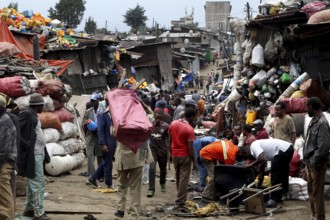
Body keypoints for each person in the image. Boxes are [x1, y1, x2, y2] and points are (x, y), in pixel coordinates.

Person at [114, 99, 154, 219]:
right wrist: (143, 105)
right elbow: (151, 115)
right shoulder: (142, 123)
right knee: (135, 188)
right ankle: (133, 214)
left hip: (122, 159)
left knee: (121, 185)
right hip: (137, 159)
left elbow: (112, 131)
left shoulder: (119, 124)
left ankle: (120, 209)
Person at [19, 93, 50, 220]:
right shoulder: (27, 114)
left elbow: (38, 135)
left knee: (33, 183)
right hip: (34, 155)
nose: (43, 107)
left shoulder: (33, 115)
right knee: (37, 184)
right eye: (42, 104)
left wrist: (45, 153)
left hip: (39, 153)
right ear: (38, 105)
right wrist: (25, 143)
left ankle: (29, 210)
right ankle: (39, 213)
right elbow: (15, 129)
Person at [242, 139, 294, 208]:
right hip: (289, 148)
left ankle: (273, 200)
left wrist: (250, 165)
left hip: (282, 150)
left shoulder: (253, 146)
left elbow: (261, 158)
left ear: (245, 152)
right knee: (282, 174)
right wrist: (257, 189)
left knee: (275, 175)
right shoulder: (260, 151)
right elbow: (261, 171)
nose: (247, 159)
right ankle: (280, 198)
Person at [304, 97, 330, 220]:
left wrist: (314, 161)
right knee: (311, 190)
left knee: (317, 192)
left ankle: (319, 217)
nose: (306, 109)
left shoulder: (322, 123)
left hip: (317, 163)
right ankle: (315, 216)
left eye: (306, 107)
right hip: (310, 162)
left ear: (311, 107)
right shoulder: (313, 121)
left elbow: (323, 147)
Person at [169, 108, 196, 209]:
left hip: (175, 154)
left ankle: (180, 196)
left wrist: (170, 154)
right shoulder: (189, 129)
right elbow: (190, 148)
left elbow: (170, 140)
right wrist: (194, 161)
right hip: (184, 155)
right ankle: (180, 201)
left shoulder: (173, 123)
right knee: (184, 178)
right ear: (192, 117)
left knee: (178, 176)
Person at [87, 98, 117, 189]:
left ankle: (93, 178)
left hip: (112, 141)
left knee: (105, 162)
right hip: (106, 142)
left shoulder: (112, 114)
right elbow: (100, 130)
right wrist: (103, 144)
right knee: (108, 164)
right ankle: (109, 183)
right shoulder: (102, 115)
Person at [0, 95, 17, 220]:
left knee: (4, 196)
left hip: (4, 163)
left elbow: (3, 149)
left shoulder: (4, 122)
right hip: (5, 161)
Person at [147, 110, 169, 197]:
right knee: (152, 168)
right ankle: (151, 189)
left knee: (163, 168)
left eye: (160, 118)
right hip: (153, 149)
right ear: (154, 117)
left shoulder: (166, 126)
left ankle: (162, 183)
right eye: (156, 118)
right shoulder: (150, 125)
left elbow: (169, 138)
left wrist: (169, 151)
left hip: (162, 150)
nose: (158, 120)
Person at [83, 93, 102, 178]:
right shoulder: (88, 112)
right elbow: (83, 123)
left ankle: (100, 175)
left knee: (99, 155)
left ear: (98, 101)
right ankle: (92, 175)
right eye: (92, 101)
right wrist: (87, 124)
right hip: (90, 135)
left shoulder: (103, 111)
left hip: (99, 135)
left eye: (94, 101)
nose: (93, 103)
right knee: (90, 155)